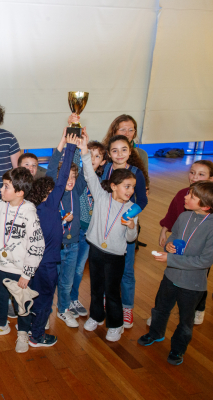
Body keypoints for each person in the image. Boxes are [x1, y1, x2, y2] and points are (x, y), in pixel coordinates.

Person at [141, 181, 213, 366]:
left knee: (185, 320)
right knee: (160, 308)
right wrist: (169, 245)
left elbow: (205, 261)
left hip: (192, 285)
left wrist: (171, 260)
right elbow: (174, 236)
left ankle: (178, 349)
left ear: (205, 205)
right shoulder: (184, 216)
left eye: (191, 196)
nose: (185, 197)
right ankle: (155, 333)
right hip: (170, 277)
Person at [154, 160, 213, 324]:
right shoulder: (183, 195)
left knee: (196, 281)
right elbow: (173, 216)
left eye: (201, 174)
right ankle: (160, 318)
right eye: (192, 172)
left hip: (198, 255)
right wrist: (164, 231)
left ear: (212, 179)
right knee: (170, 286)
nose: (194, 177)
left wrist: (209, 243)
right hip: (179, 252)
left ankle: (199, 307)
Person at [80, 132, 138, 342]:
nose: (130, 191)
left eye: (132, 187)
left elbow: (131, 239)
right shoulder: (101, 196)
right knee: (96, 288)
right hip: (96, 250)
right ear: (113, 186)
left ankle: (116, 324)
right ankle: (96, 316)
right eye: (126, 187)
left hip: (115, 255)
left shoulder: (132, 209)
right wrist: (84, 149)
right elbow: (88, 172)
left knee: (112, 292)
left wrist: (131, 226)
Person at [0, 167, 44, 353]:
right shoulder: (0, 206)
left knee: (20, 302)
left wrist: (27, 273)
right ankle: (1, 324)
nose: (1, 189)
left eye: (6, 187)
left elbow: (37, 246)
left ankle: (23, 332)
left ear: (20, 192)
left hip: (19, 270)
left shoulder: (29, 212)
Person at [25, 133, 79, 348]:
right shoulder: (50, 204)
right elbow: (63, 172)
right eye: (53, 189)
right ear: (48, 193)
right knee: (46, 299)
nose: (57, 189)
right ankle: (37, 336)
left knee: (35, 297)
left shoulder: (31, 208)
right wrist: (71, 147)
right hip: (47, 265)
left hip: (31, 264)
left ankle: (31, 326)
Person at [101, 135, 148, 329]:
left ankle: (127, 308)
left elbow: (142, 200)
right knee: (105, 268)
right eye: (114, 150)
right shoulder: (106, 169)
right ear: (109, 154)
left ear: (130, 151)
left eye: (123, 150)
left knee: (127, 271)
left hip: (126, 226)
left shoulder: (136, 172)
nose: (119, 154)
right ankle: (106, 300)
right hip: (107, 227)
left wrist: (129, 215)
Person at [46, 132, 88, 328]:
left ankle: (63, 310)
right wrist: (63, 141)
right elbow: (53, 166)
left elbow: (85, 170)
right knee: (49, 281)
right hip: (55, 247)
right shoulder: (54, 192)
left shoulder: (78, 189)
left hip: (73, 245)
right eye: (66, 177)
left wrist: (82, 146)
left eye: (73, 177)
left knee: (66, 282)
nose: (70, 180)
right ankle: (45, 312)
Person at [71, 140, 106, 318]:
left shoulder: (101, 183)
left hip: (91, 233)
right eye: (89, 154)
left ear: (103, 161)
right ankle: (67, 299)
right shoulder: (78, 178)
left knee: (79, 268)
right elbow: (79, 159)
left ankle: (72, 298)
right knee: (71, 267)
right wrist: (80, 142)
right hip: (77, 230)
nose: (92, 158)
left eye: (97, 156)